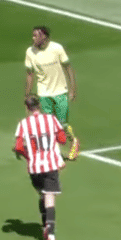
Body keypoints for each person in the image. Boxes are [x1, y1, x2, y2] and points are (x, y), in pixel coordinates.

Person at [14, 95, 69, 240]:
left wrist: (28, 156)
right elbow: (62, 139)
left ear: (27, 108)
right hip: (51, 165)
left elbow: (18, 147)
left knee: (43, 195)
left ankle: (46, 225)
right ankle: (50, 235)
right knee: (50, 197)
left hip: (34, 168)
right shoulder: (51, 120)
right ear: (39, 105)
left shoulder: (23, 124)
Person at [23, 26, 79, 160]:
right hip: (43, 93)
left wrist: (73, 89)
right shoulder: (30, 52)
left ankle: (73, 142)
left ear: (44, 37)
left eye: (36, 35)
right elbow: (30, 74)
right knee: (48, 125)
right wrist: (27, 94)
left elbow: (68, 68)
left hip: (60, 91)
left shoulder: (57, 48)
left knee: (62, 124)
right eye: (33, 35)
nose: (33, 38)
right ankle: (54, 152)